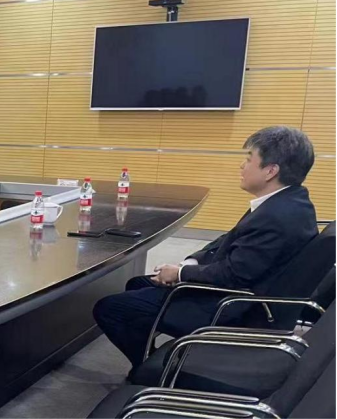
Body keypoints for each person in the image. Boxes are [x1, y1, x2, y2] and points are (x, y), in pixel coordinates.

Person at [93, 126, 318, 369]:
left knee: (109, 308)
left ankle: (153, 370)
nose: (242, 166)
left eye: (249, 159)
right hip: (248, 294)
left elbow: (234, 275)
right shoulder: (289, 202)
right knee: (137, 284)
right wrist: (191, 262)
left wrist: (180, 273)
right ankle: (158, 355)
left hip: (234, 308)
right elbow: (228, 239)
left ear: (270, 171)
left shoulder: (275, 216)